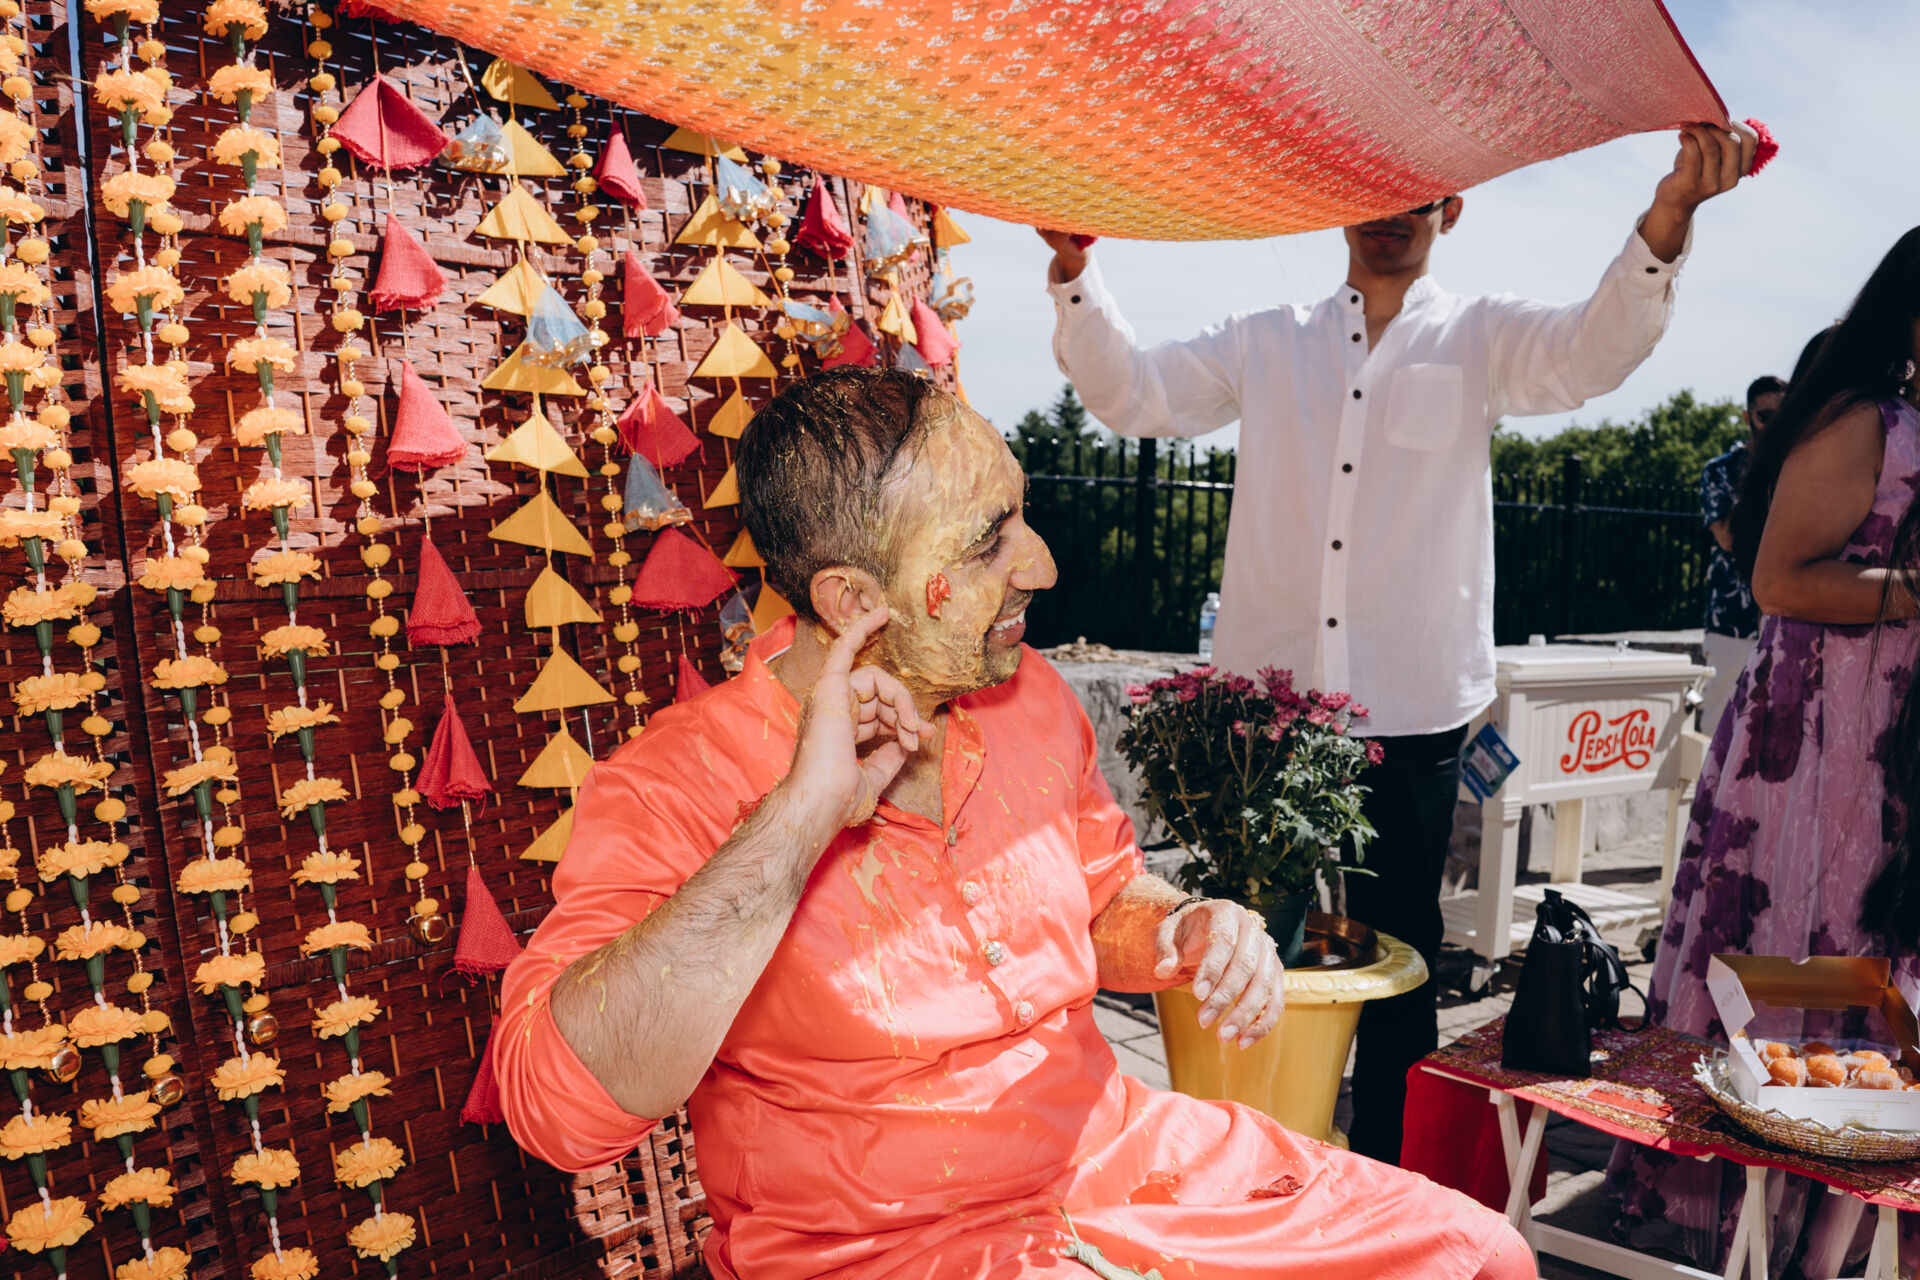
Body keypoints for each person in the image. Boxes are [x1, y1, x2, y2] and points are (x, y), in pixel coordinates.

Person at [493, 368, 1534, 1280]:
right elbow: (557, 1109)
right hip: (882, 1246)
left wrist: (1184, 925)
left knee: (1481, 1253)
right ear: (852, 598)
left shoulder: (1028, 693)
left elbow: (1101, 893)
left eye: (1020, 516)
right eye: (988, 542)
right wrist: (796, 821)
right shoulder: (673, 781)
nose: (1039, 564)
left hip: (1121, 1166)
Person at [1041, 122, 1757, 1164]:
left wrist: (1669, 217)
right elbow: (1134, 394)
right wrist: (1075, 272)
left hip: (1414, 709)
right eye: (1371, 196)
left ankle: (1383, 1170)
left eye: (1414, 198)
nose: (1390, 218)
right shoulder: (1267, 339)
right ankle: (1250, 1153)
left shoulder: (1479, 336)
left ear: (1449, 210)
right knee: (1251, 948)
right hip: (1270, 717)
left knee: (1402, 956)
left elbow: (1591, 354)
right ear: (1341, 206)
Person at [1609, 228, 1920, 1275]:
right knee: (1808, 946)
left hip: (1901, 746)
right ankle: (1772, 1211)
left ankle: (1849, 1215)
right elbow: (1780, 580)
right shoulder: (1864, 420)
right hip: (1823, 747)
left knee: (1885, 965)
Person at [1696, 375, 1784, 735]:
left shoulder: (1801, 467)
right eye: (1765, 416)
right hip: (1732, 620)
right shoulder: (1720, 470)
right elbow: (1729, 538)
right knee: (1718, 725)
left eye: (1782, 414)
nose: (1774, 425)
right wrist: (1759, 476)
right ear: (1748, 418)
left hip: (1786, 615)